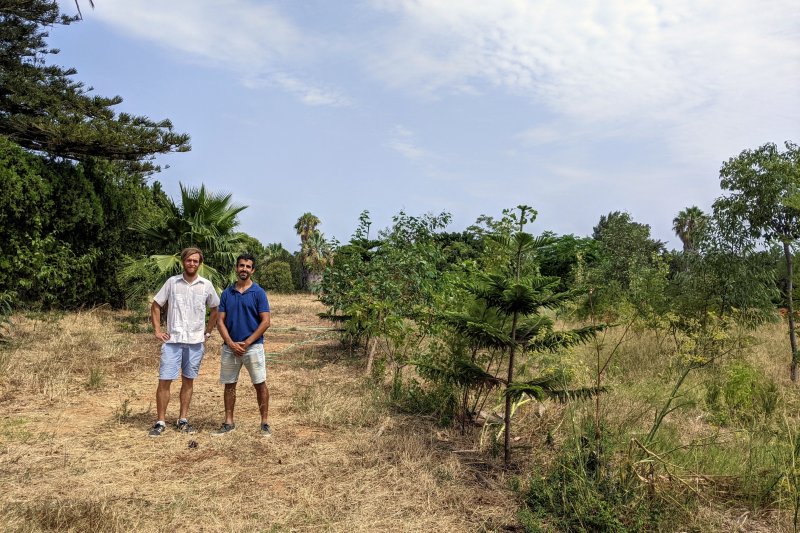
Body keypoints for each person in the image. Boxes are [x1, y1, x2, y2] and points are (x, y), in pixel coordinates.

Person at [148, 247, 219, 437]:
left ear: (200, 264)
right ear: (183, 262)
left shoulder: (206, 285)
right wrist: (157, 330)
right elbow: (156, 305)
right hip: (173, 341)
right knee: (165, 380)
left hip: (195, 342)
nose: (192, 264)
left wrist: (208, 332)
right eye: (189, 260)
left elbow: (215, 308)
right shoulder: (172, 283)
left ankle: (183, 419)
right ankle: (160, 421)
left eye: (195, 261)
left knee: (188, 381)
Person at [212, 253, 272, 437]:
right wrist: (230, 343)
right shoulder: (227, 293)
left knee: (260, 384)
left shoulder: (258, 293)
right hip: (230, 348)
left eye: (248, 266)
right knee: (229, 384)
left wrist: (247, 343)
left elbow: (266, 321)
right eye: (241, 266)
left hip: (252, 347)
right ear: (236, 268)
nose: (244, 269)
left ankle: (264, 422)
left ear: (252, 270)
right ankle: (228, 422)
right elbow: (220, 321)